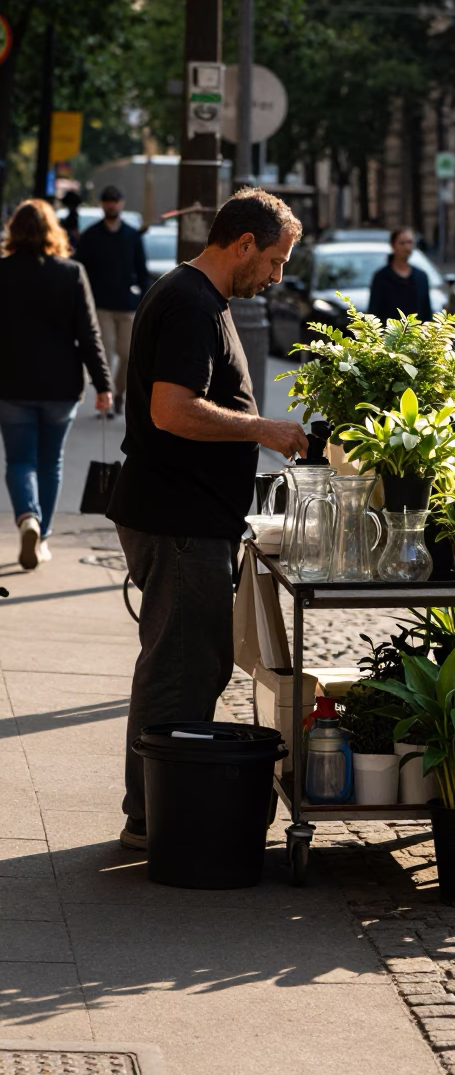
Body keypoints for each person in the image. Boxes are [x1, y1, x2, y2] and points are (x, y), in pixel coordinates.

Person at [107, 189, 309, 850]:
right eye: (275, 260)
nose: (276, 277)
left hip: (184, 515)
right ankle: (154, 821)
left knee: (189, 662)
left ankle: (155, 811)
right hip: (178, 520)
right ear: (242, 243)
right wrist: (265, 429)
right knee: (182, 666)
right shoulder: (193, 302)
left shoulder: (199, 298)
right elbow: (172, 410)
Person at [0, 200, 112, 569]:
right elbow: (89, 334)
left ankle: (27, 518)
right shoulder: (72, 273)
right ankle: (43, 536)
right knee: (51, 464)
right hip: (62, 386)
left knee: (19, 460)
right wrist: (103, 384)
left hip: (12, 383)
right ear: (53, 232)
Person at [75, 184, 149, 418]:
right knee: (104, 356)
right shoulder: (91, 236)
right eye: (108, 201)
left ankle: (118, 393)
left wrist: (145, 299)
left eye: (115, 201)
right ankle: (105, 401)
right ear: (102, 204)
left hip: (128, 305)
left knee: (128, 356)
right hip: (100, 306)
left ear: (122, 203)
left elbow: (142, 270)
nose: (111, 205)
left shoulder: (131, 235)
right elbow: (80, 270)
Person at [368, 226, 432, 323]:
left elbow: (427, 312)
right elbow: (374, 313)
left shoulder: (421, 277)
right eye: (402, 243)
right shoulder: (381, 277)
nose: (407, 247)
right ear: (393, 245)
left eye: (410, 242)